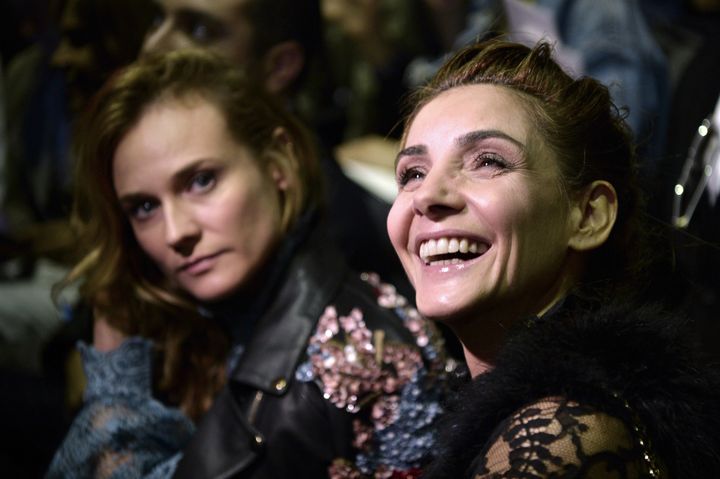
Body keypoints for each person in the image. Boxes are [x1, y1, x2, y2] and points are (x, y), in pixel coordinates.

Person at [44, 49, 449, 479]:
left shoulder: (342, 365)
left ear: (277, 163)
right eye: (144, 207)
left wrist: (114, 385)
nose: (175, 232)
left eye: (202, 181)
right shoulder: (218, 319)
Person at [386, 39, 720, 477]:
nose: (428, 196)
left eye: (487, 161)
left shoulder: (560, 438)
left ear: (588, 216)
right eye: (413, 173)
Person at [140, 0, 412, 298]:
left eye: (200, 31)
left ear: (279, 66)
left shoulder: (326, 236)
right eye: (155, 20)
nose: (155, 45)